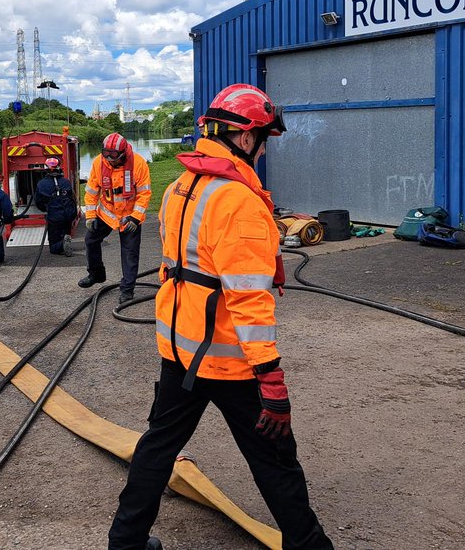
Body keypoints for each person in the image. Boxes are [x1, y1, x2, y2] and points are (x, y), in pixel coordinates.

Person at [108, 84, 333, 550]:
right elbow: (248, 300)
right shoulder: (239, 201)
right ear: (245, 138)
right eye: (264, 137)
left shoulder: (179, 187)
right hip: (232, 362)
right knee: (275, 459)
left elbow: (184, 266)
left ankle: (125, 543)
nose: (266, 148)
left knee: (157, 447)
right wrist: (270, 376)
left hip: (180, 350)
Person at [79, 133, 151, 304]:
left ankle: (127, 290)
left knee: (130, 253)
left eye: (114, 157)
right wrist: (90, 216)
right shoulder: (99, 163)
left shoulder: (138, 164)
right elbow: (91, 192)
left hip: (129, 217)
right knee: (90, 240)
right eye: (107, 156)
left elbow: (144, 193)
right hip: (107, 213)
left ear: (123, 153)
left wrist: (135, 218)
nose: (110, 161)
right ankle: (96, 274)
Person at [34, 157, 77, 257]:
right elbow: (71, 197)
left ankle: (61, 245)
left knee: (53, 247)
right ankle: (66, 239)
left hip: (55, 216)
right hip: (69, 214)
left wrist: (47, 209)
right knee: (65, 231)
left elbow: (39, 202)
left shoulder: (41, 184)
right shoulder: (66, 181)